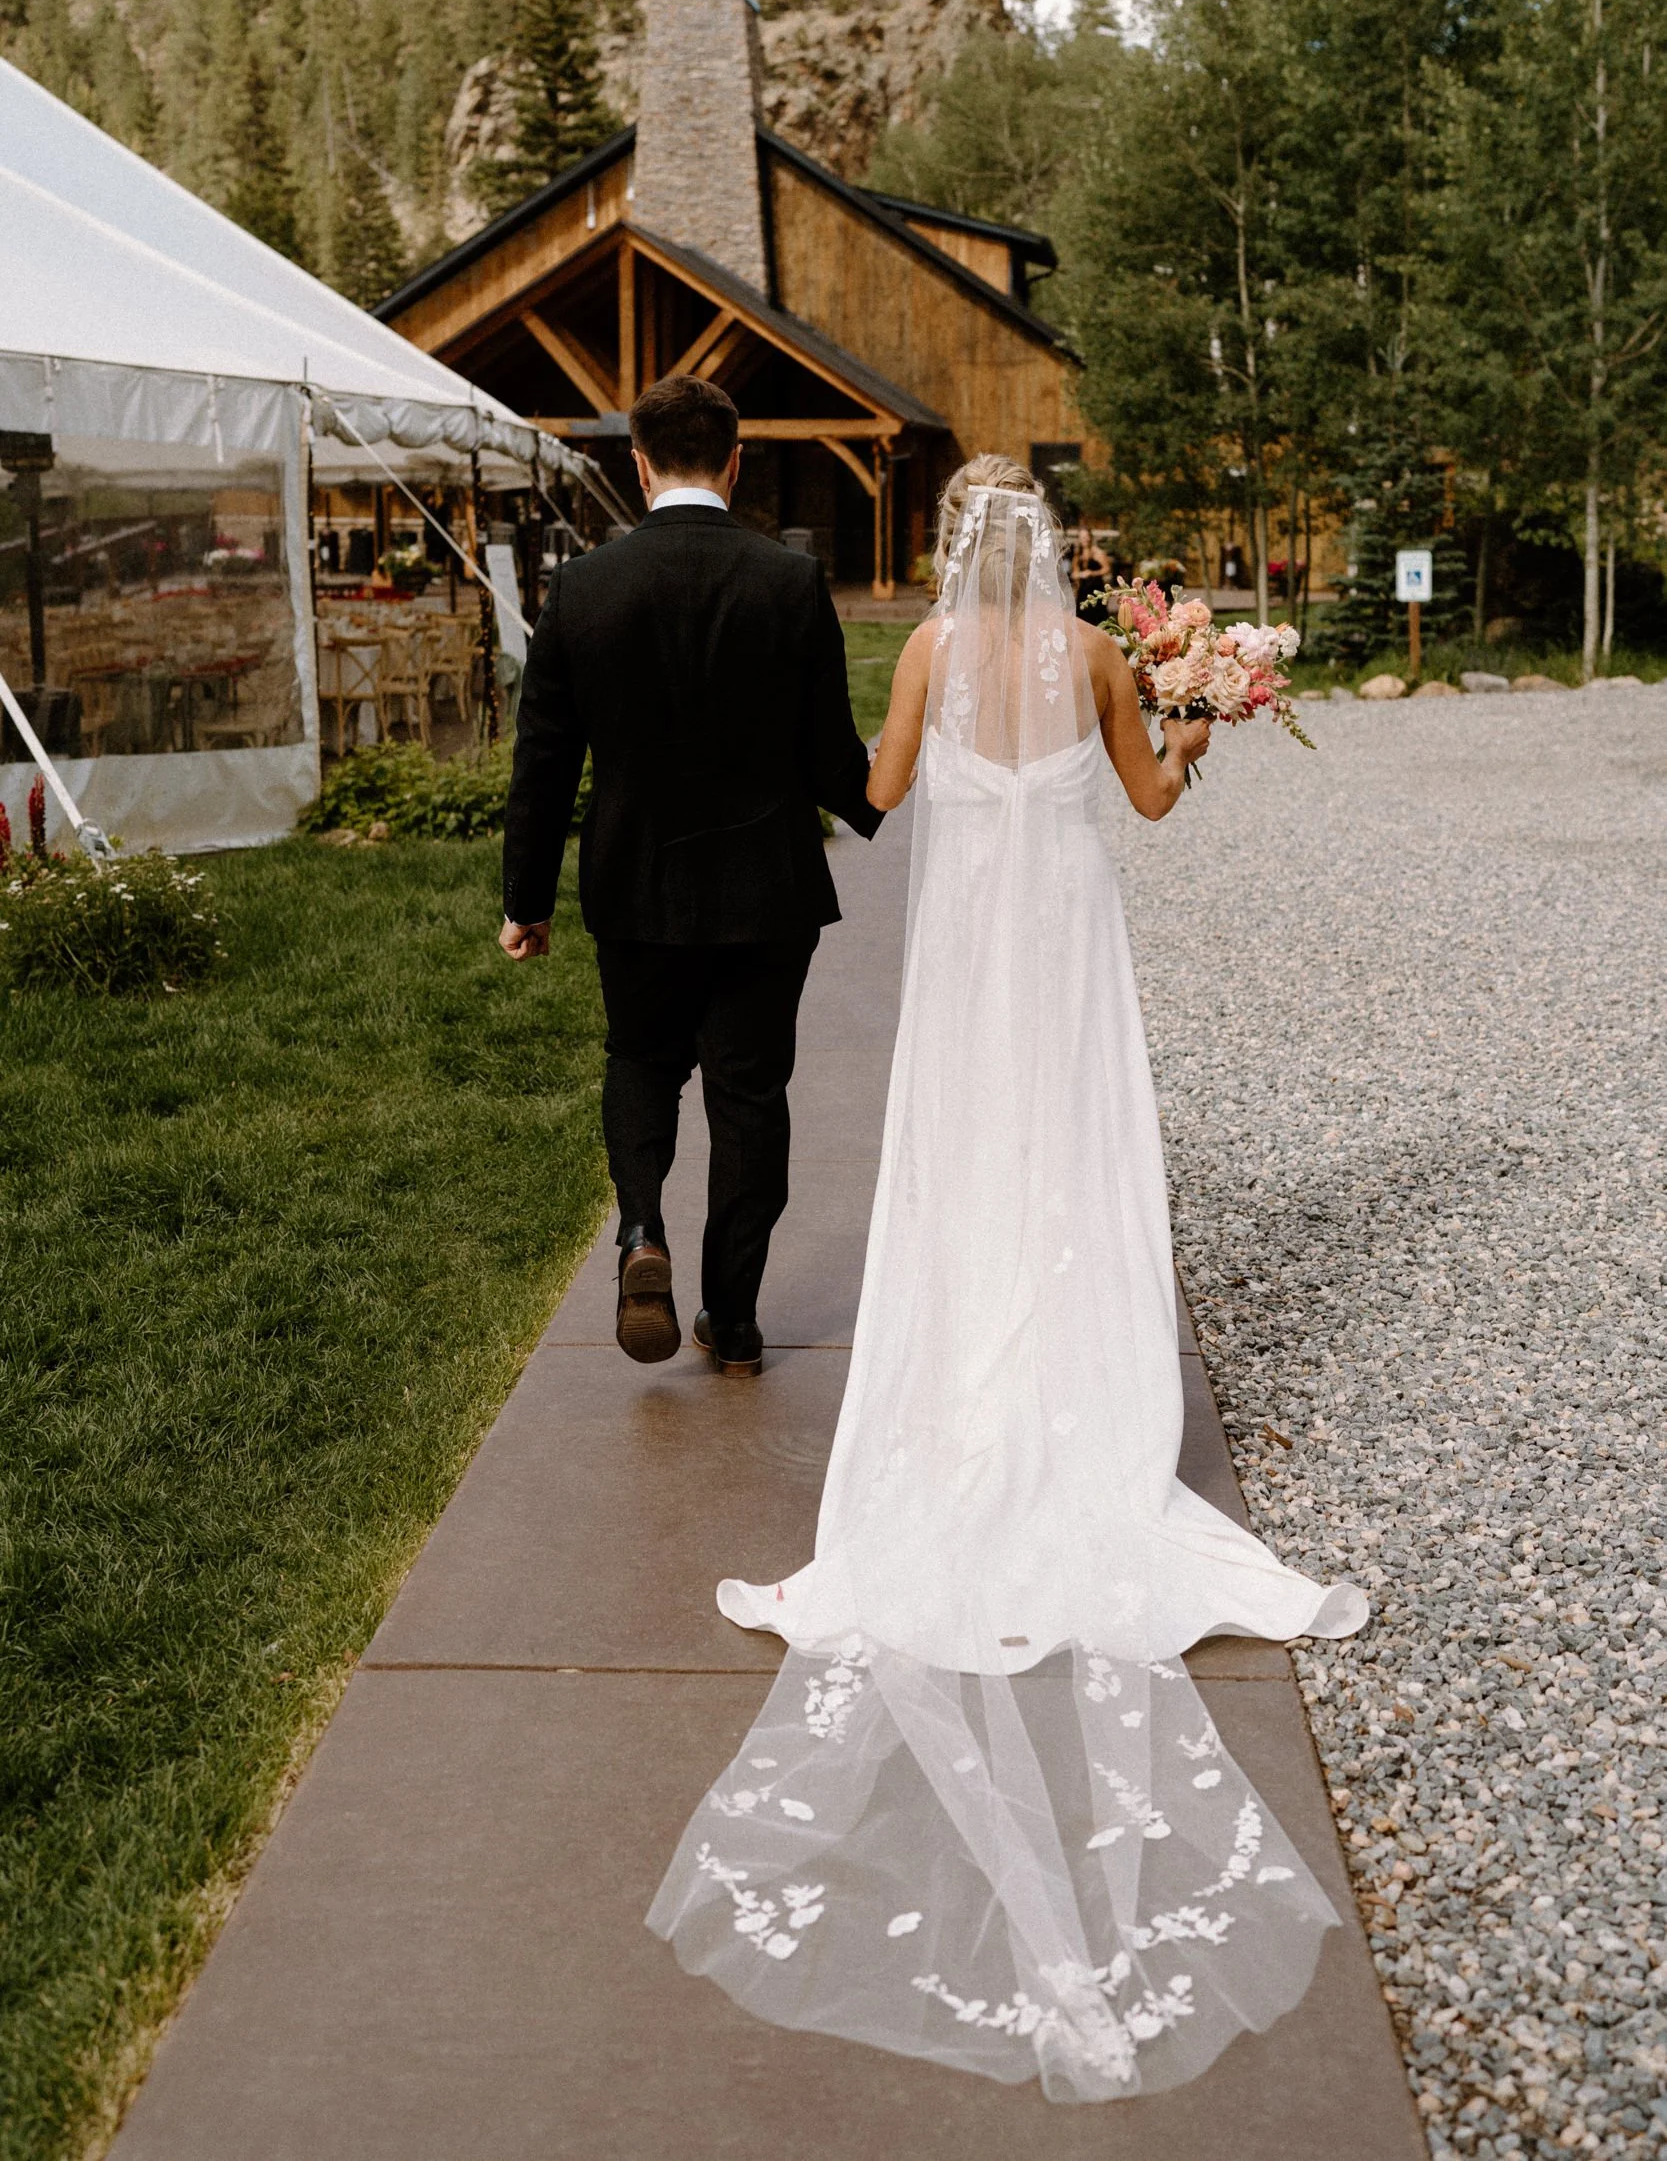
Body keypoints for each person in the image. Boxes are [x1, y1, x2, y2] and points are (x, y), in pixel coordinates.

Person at [649, 453, 1368, 2103]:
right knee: (1075, 1167)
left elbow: (881, 797)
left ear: (956, 549)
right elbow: (1154, 803)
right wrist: (1197, 718)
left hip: (968, 970)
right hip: (1066, 962)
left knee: (965, 1173)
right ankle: (1087, 1412)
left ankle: (965, 1393)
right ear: (1053, 552)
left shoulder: (914, 657)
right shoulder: (1105, 658)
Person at [499, 373, 882, 1377]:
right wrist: (888, 793)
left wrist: (524, 902)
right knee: (749, 1095)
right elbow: (829, 754)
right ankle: (735, 1317)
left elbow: (542, 758)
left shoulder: (582, 587)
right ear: (735, 457)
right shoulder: (787, 579)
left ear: (637, 461)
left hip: (632, 882)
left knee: (639, 1060)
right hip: (765, 887)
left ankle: (639, 1234)